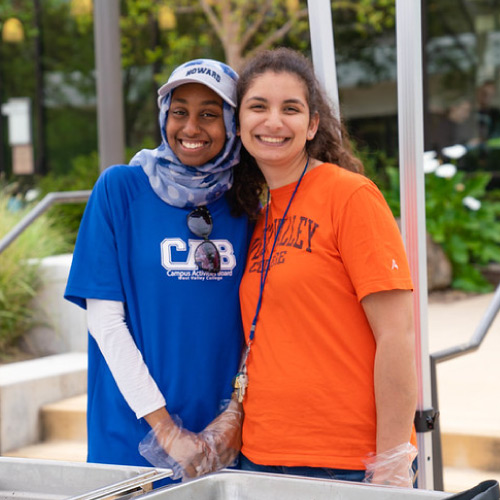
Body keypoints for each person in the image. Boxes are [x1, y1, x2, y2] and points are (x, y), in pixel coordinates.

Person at [233, 47, 418, 487]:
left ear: (312, 124)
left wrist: (391, 462)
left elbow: (397, 335)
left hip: (347, 462)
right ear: (238, 121)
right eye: (258, 106)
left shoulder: (350, 197)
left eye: (290, 109)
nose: (273, 122)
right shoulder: (255, 213)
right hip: (261, 456)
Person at [64, 59, 253, 480]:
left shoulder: (246, 204)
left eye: (209, 113)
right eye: (179, 111)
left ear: (232, 124)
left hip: (222, 444)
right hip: (131, 441)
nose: (190, 127)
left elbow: (259, 326)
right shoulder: (119, 189)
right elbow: (106, 324)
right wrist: (167, 433)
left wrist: (233, 420)